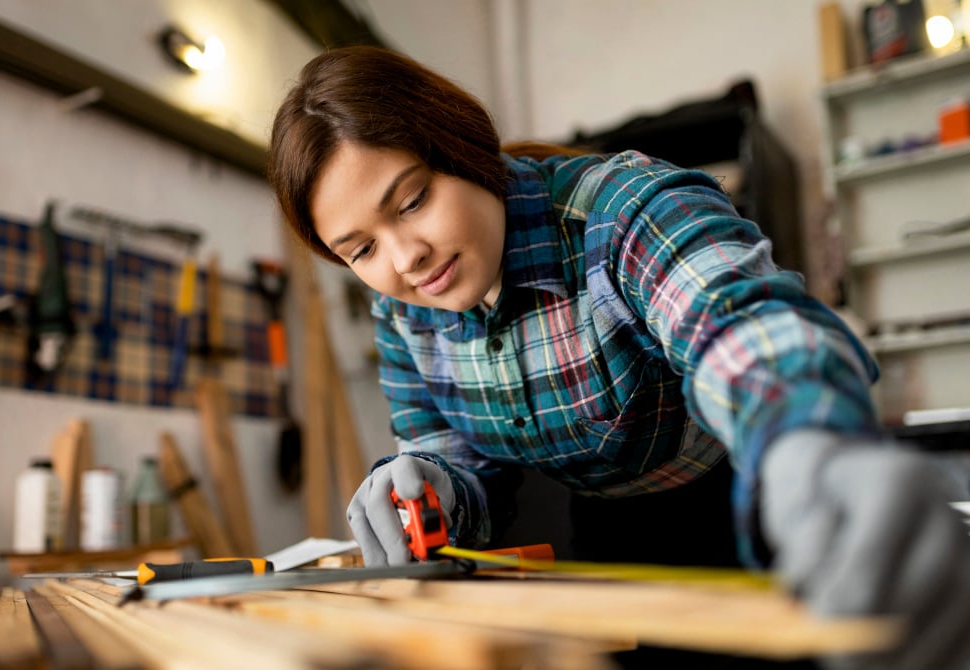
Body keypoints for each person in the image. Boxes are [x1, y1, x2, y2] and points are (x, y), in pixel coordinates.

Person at [268, 45, 970, 669]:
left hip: (760, 506)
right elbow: (461, 462)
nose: (405, 259)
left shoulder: (622, 212)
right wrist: (435, 488)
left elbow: (739, 327)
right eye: (361, 250)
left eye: (413, 200)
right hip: (607, 543)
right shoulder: (402, 312)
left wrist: (805, 443)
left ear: (464, 144)